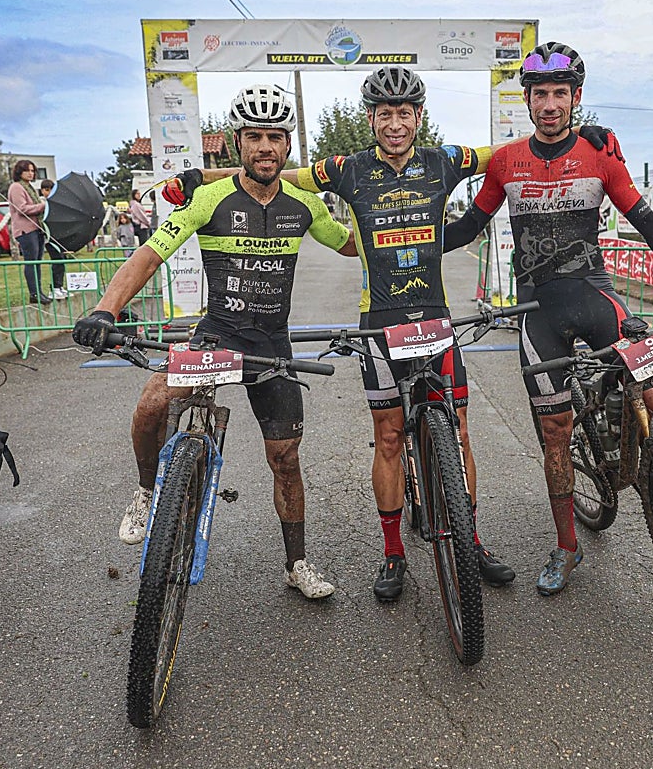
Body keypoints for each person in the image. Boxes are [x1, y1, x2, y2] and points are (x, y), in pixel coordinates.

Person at [163, 67, 618, 602]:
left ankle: (471, 540)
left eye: (405, 113)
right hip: (379, 322)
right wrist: (204, 181)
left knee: (461, 430)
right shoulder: (348, 169)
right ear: (372, 119)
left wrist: (582, 137)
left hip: (436, 318)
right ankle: (393, 553)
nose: (396, 123)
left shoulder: (445, 161)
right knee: (389, 437)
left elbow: (507, 153)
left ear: (419, 117)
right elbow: (281, 174)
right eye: (385, 113)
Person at [444, 42, 653, 595]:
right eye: (540, 94)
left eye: (560, 93)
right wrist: (402, 239)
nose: (549, 104)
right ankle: (566, 547)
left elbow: (649, 224)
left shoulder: (600, 154)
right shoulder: (506, 162)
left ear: (576, 97)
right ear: (526, 100)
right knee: (556, 435)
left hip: (595, 294)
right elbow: (466, 230)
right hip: (538, 309)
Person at [73, 84, 357, 599]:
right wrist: (104, 309)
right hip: (219, 336)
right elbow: (149, 257)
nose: (265, 147)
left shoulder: (305, 205)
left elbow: (353, 245)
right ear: (236, 143)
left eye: (275, 136)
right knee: (152, 402)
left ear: (288, 146)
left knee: (286, 458)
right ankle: (145, 489)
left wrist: (392, 219)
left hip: (271, 345)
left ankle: (297, 564)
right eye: (254, 137)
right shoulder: (211, 198)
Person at [9, 159, 52, 304]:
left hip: (36, 228)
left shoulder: (29, 187)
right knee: (31, 261)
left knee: (37, 261)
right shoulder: (16, 187)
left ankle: (38, 291)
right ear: (20, 172)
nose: (30, 173)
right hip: (25, 230)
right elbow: (22, 208)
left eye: (33, 170)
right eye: (27, 170)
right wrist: (42, 206)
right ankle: (34, 293)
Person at [38, 178, 69, 300]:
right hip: (48, 238)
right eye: (46, 189)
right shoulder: (42, 203)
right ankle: (54, 288)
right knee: (56, 260)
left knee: (62, 260)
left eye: (51, 189)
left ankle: (59, 286)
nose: (49, 192)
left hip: (58, 237)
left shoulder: (56, 202)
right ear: (42, 190)